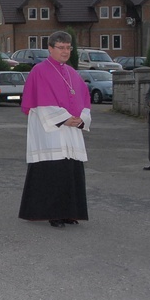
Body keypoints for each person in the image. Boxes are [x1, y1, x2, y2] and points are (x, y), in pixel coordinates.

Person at [18, 31, 90, 228]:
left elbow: (84, 99)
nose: (65, 51)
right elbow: (40, 101)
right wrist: (64, 119)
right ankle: (53, 213)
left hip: (71, 129)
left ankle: (69, 211)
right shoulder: (39, 71)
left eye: (68, 48)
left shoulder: (72, 72)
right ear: (50, 49)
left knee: (70, 170)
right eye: (61, 47)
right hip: (49, 129)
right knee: (53, 171)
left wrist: (80, 118)